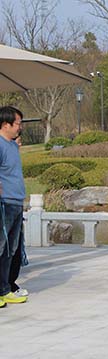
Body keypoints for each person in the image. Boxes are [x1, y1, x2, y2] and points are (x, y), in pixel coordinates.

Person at [0, 106, 28, 307]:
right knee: (1, 248)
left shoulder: (11, 145)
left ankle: (5, 289)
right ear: (5, 124)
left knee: (11, 250)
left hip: (16, 202)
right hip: (4, 203)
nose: (20, 127)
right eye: (18, 123)